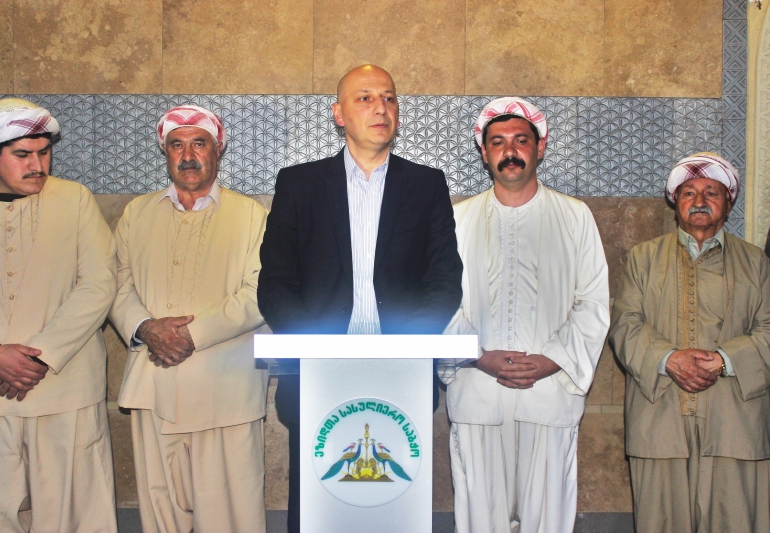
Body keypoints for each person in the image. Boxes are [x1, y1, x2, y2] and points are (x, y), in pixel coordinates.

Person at [257, 64, 463, 532]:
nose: (380, 108)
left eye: (388, 98)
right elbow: (276, 282)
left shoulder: (426, 184)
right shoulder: (299, 183)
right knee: (318, 508)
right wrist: (318, 350)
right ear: (338, 114)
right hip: (317, 375)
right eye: (365, 98)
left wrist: (405, 349)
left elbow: (444, 279)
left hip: (402, 375)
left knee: (394, 505)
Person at [438, 97, 610, 533]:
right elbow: (440, 301)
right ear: (484, 152)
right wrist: (478, 355)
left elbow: (593, 303)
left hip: (549, 392)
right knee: (481, 517)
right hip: (478, 389)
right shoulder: (456, 220)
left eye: (520, 140)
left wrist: (552, 359)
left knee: (546, 518)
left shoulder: (575, 216)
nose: (509, 151)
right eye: (498, 142)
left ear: (540, 147)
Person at [109, 105, 270, 533]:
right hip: (153, 384)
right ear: (165, 152)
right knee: (160, 516)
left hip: (225, 390)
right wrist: (147, 329)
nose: (188, 155)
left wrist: (189, 335)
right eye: (177, 145)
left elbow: (259, 293)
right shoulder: (137, 213)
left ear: (218, 150)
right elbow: (117, 284)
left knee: (230, 518)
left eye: (199, 143)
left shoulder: (251, 215)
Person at [0, 97, 117, 532]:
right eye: (22, 155)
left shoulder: (75, 200)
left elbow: (98, 283)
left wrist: (42, 355)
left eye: (44, 152)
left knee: (75, 514)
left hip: (64, 385)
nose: (37, 165)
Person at [610, 153, 770, 533]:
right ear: (675, 202)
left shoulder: (757, 263)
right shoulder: (643, 259)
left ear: (728, 203)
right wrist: (668, 358)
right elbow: (625, 324)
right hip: (660, 418)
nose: (699, 201)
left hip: (735, 421)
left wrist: (725, 360)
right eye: (689, 193)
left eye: (711, 192)